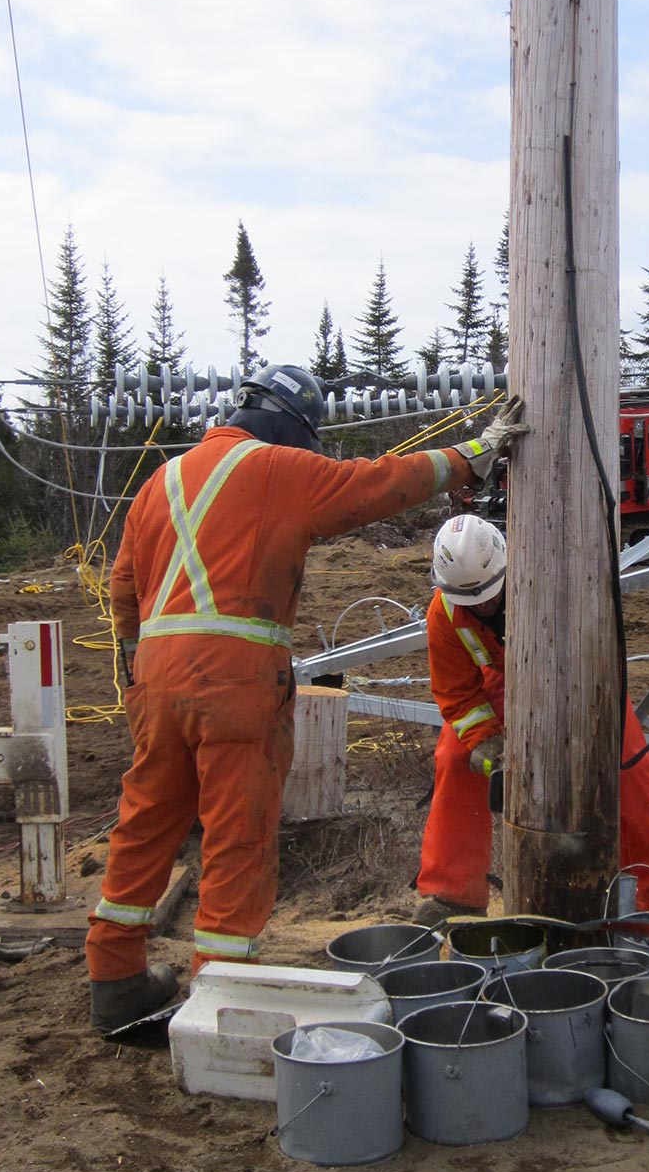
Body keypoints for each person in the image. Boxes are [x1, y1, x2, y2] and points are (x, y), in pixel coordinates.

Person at [86, 368, 526, 1032]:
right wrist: (474, 454)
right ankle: (221, 1001)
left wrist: (134, 673)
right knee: (238, 837)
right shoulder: (275, 469)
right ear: (295, 425)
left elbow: (123, 587)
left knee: (148, 820)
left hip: (155, 678)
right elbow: (379, 483)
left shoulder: (163, 481)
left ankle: (114, 978)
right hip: (234, 683)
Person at [413, 513, 649, 924]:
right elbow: (457, 693)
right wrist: (487, 742)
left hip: (582, 670)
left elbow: (596, 637)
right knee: (454, 758)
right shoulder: (445, 612)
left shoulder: (548, 576)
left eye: (489, 595)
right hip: (506, 674)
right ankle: (453, 891)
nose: (482, 606)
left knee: (627, 770)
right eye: (470, 600)